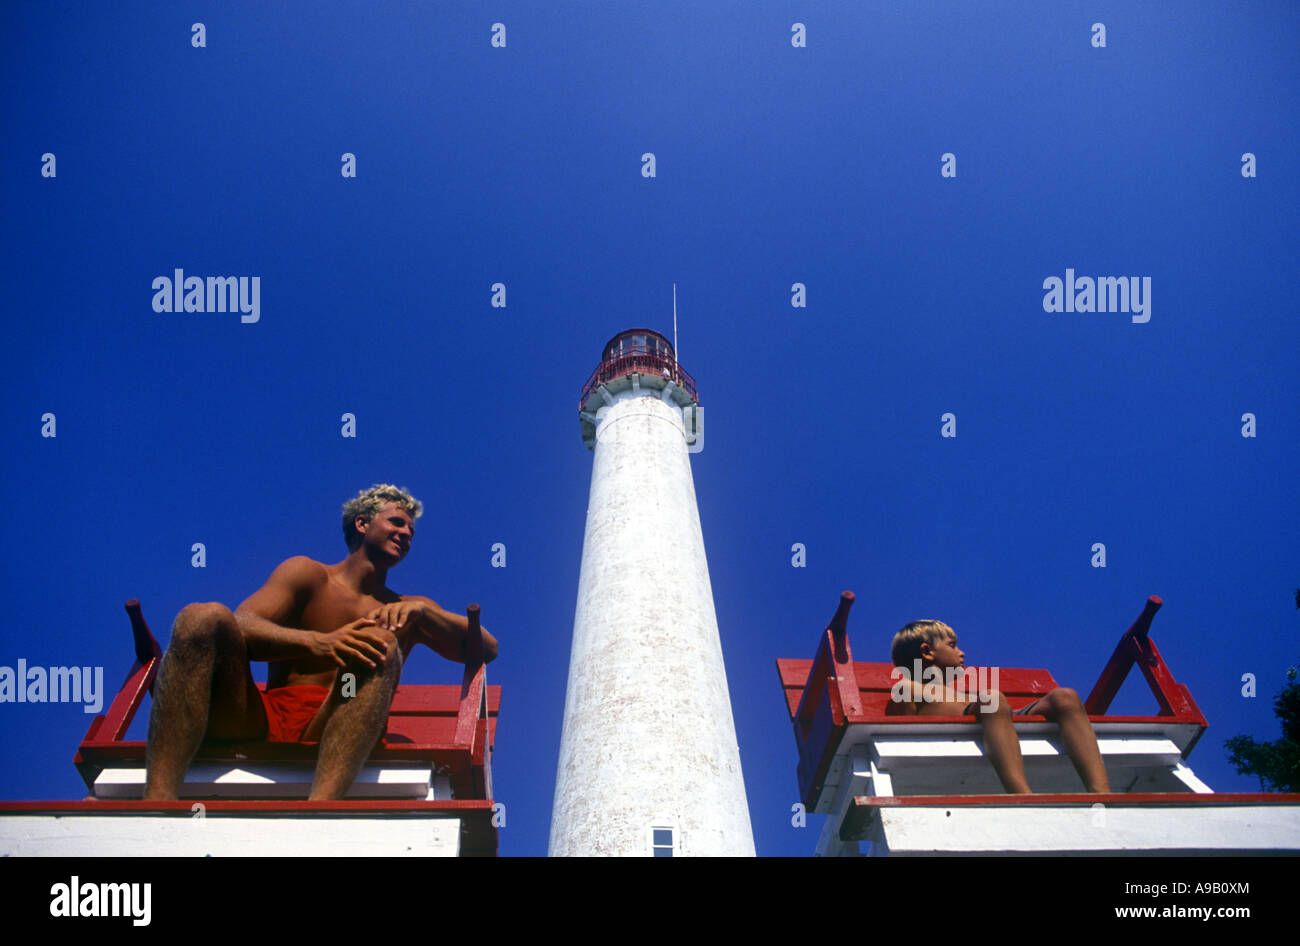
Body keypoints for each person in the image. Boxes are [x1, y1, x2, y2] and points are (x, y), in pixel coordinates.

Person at [143, 484, 498, 801]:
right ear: (362, 524)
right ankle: (156, 803)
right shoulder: (308, 575)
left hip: (334, 718)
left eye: (410, 530)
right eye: (396, 522)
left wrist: (424, 611)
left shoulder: (404, 608)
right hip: (260, 717)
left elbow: (486, 649)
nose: (406, 533)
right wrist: (319, 643)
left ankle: (320, 812)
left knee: (380, 643)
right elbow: (242, 626)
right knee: (199, 617)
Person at [885, 619, 1109, 794]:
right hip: (981, 714)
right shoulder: (908, 687)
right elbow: (901, 731)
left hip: (997, 716)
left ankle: (1101, 792)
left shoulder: (963, 694)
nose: (961, 652)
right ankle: (1021, 795)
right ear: (927, 652)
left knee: (1066, 697)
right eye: (952, 645)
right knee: (993, 698)